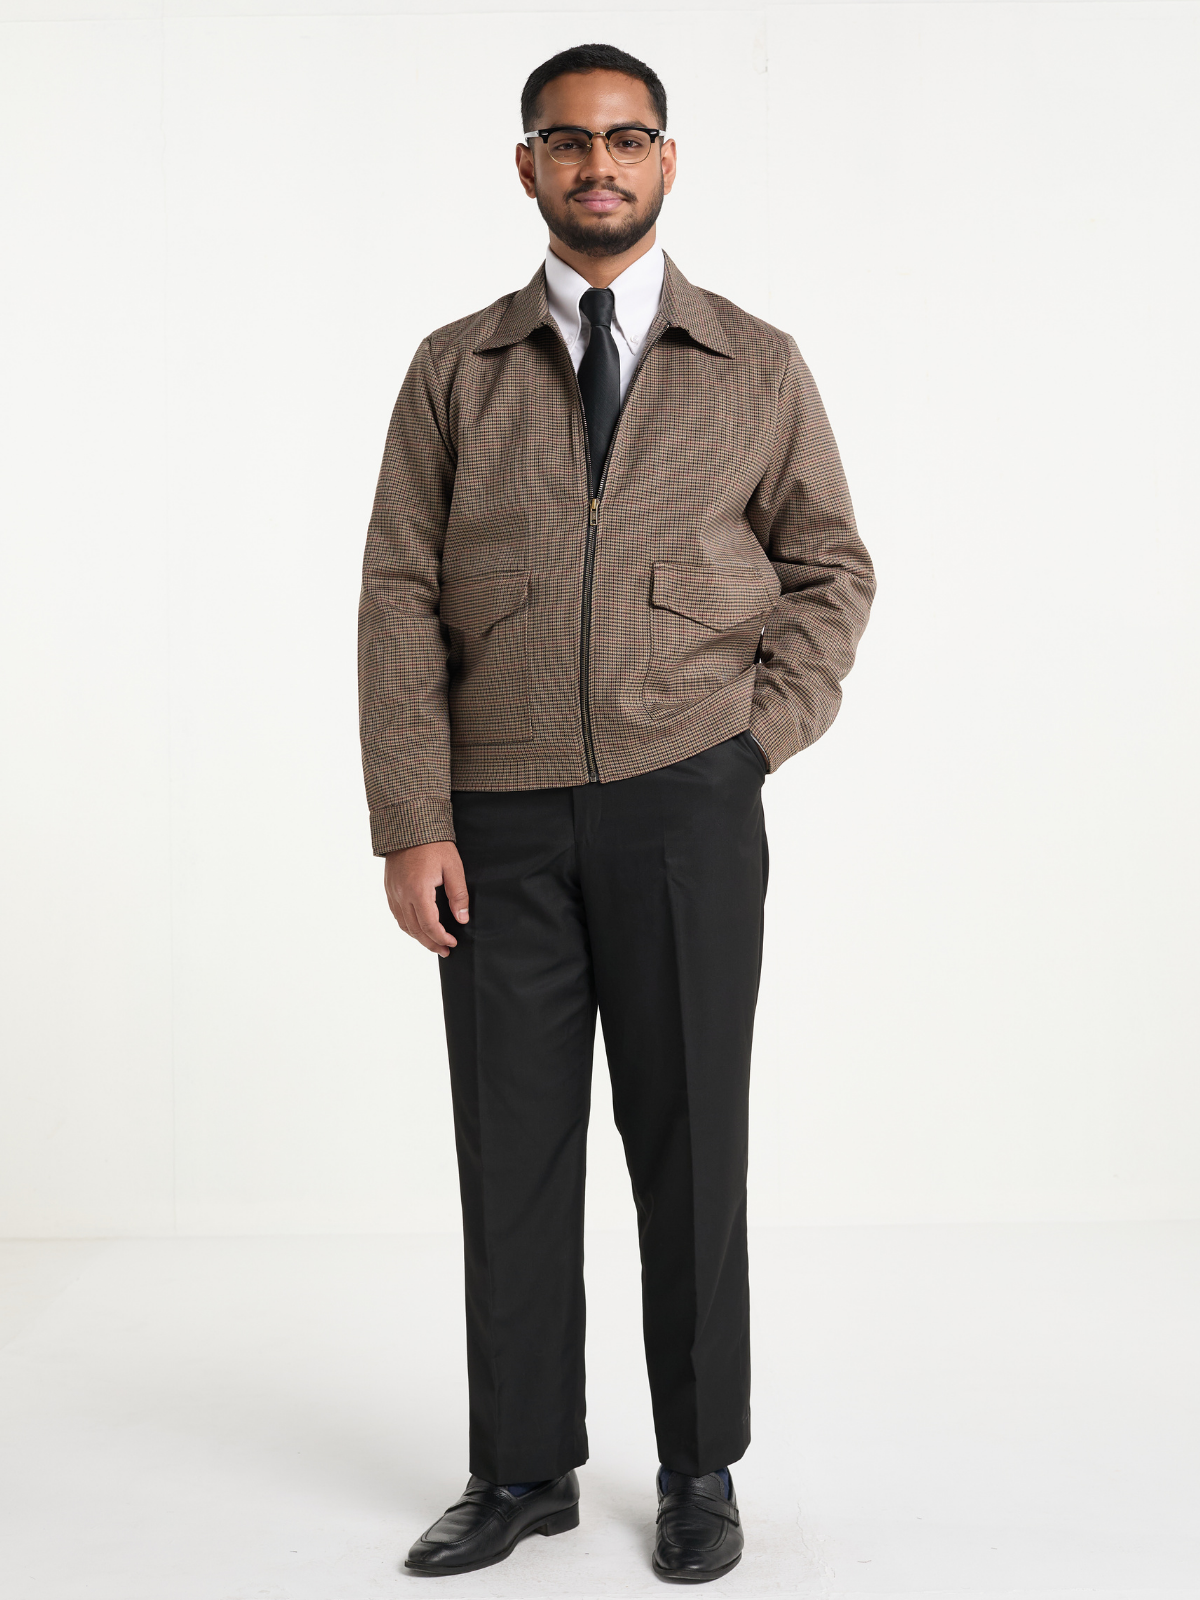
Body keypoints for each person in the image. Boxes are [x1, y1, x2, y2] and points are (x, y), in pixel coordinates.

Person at [358, 41, 875, 1584]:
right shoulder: (455, 369)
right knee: (510, 1152)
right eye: (570, 140)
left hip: (686, 808)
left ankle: (700, 1468)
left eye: (628, 137)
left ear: (668, 159)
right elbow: (396, 595)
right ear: (527, 164)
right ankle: (521, 1468)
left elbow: (831, 567)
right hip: (496, 824)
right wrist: (412, 815)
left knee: (691, 1147)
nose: (601, 163)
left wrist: (752, 743)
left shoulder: (754, 364)